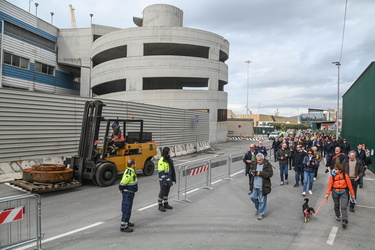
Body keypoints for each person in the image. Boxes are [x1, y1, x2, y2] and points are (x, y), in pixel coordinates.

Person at [325, 164, 356, 229]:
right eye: (334, 169)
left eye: (336, 169)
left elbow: (350, 185)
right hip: (335, 192)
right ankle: (337, 215)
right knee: (336, 204)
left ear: (340, 170)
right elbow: (329, 185)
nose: (334, 170)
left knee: (343, 206)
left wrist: (352, 194)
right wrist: (327, 194)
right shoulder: (332, 177)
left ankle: (344, 220)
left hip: (344, 192)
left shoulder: (345, 176)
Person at [249, 153, 273, 220]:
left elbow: (270, 174)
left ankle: (261, 214)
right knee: (252, 197)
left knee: (262, 200)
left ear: (263, 159)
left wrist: (261, 173)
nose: (258, 161)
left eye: (259, 160)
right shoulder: (254, 164)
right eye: (257, 160)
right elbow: (249, 170)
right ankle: (258, 207)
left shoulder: (267, 165)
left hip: (263, 186)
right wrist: (251, 172)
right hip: (254, 185)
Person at [118, 159, 138, 233]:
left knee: (128, 208)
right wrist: (120, 188)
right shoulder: (129, 173)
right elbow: (123, 182)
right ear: (132, 164)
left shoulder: (131, 171)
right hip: (128, 193)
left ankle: (127, 222)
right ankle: (123, 226)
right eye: (135, 163)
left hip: (130, 193)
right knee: (126, 209)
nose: (136, 164)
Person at [157, 147, 176, 212]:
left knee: (167, 192)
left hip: (168, 179)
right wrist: (163, 181)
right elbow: (161, 172)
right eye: (169, 151)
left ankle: (166, 203)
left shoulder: (168, 159)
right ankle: (160, 205)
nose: (170, 152)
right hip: (164, 179)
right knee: (162, 192)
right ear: (166, 152)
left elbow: (171, 170)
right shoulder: (162, 160)